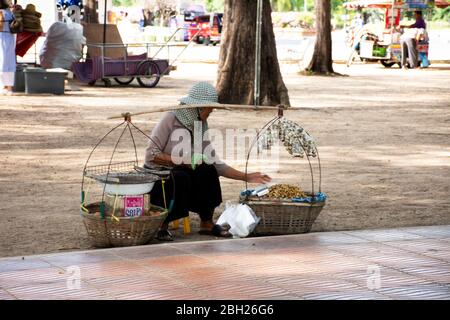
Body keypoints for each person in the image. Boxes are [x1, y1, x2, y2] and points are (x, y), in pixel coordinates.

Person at [145, 82, 272, 241]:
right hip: (160, 174)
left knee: (208, 169)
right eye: (209, 109)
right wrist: (182, 160)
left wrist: (246, 176)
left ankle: (206, 222)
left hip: (183, 171)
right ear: (198, 108)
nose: (210, 112)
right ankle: (162, 225)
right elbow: (151, 155)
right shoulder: (170, 119)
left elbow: (216, 163)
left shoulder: (199, 125)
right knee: (179, 178)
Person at [0, 0, 16, 95]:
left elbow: (1, 26)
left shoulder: (1, 12)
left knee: (2, 61)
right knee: (9, 61)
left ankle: (3, 86)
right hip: (10, 37)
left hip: (2, 37)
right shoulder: (11, 12)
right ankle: (9, 88)